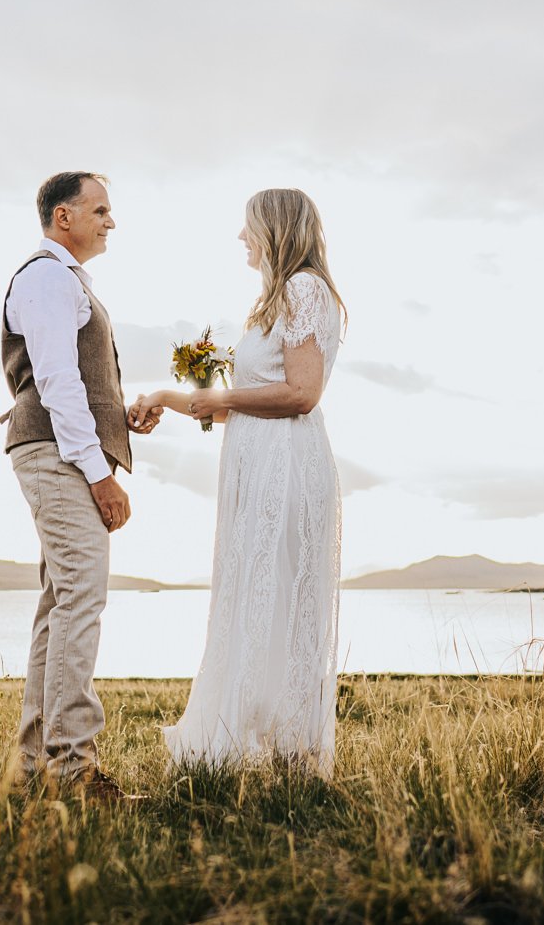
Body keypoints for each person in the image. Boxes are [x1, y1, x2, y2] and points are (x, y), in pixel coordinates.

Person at [129, 187, 346, 775]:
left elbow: (301, 394)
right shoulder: (274, 300)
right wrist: (173, 398)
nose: (242, 238)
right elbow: (249, 402)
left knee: (281, 599)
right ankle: (263, 749)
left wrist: (219, 395)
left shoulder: (304, 289)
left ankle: (294, 755)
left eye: (249, 227)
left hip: (288, 465)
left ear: (276, 230)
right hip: (257, 461)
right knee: (255, 595)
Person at [1, 170, 136, 804]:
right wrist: (101, 473)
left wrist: (121, 417)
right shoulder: (47, 277)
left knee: (61, 606)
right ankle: (72, 770)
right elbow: (55, 384)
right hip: (59, 456)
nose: (111, 221)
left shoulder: (63, 281)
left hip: (59, 450)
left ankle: (32, 768)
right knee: (82, 599)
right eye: (101, 210)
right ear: (64, 217)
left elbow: (72, 379)